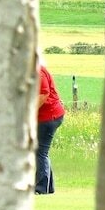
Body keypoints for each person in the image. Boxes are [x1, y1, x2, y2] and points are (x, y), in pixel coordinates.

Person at [36, 60, 66, 194]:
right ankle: (48, 187)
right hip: (47, 116)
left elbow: (44, 93)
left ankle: (41, 188)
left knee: (40, 152)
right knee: (40, 151)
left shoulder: (37, 71)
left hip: (49, 116)